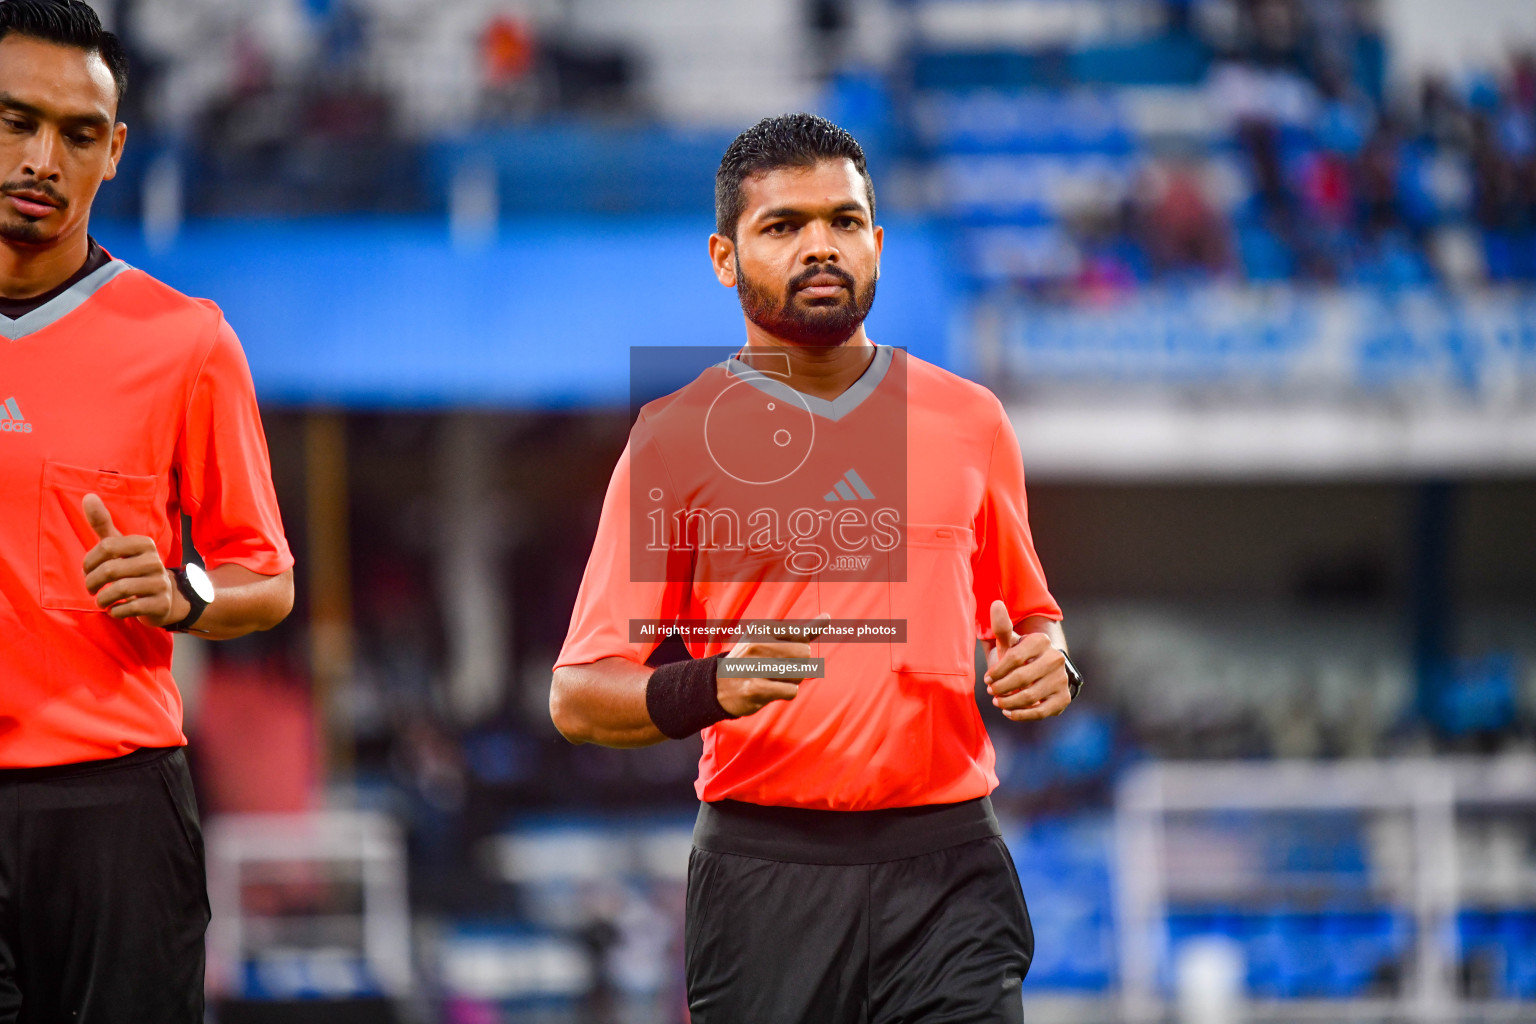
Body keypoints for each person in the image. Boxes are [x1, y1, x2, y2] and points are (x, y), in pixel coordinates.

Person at [550, 113, 1081, 1023]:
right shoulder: (673, 442)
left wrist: (1049, 660)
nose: (820, 246)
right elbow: (579, 696)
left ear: (877, 242)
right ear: (725, 256)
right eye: (783, 226)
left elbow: (1031, 618)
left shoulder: (970, 421)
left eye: (842, 221)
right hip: (765, 878)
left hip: (950, 869)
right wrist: (714, 686)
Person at [0, 2, 295, 1021]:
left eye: (79, 133)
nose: (43, 157)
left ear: (116, 149)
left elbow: (265, 576)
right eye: (14, 121)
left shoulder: (186, 342)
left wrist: (183, 590)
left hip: (113, 809)